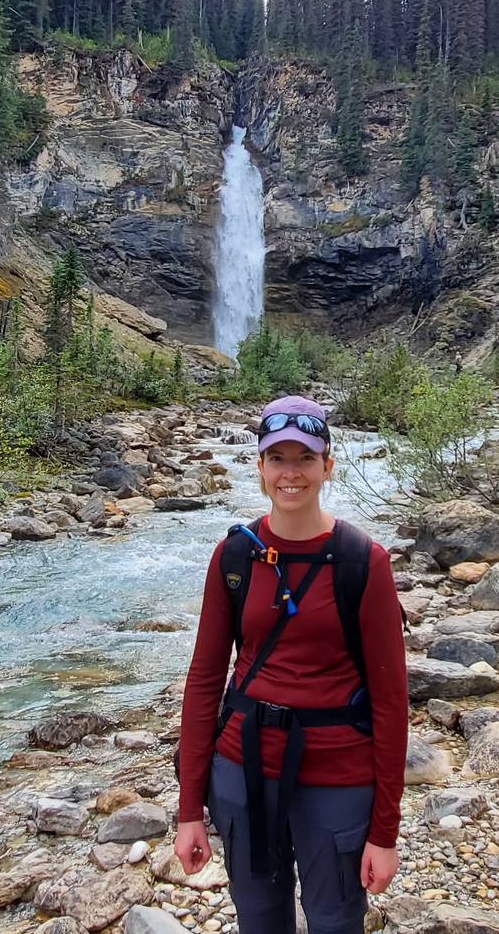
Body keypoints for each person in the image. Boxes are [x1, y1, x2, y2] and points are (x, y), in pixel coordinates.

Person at [173, 396, 408, 934]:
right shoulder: (235, 556)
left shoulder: (363, 561)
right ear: (260, 467)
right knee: (258, 920)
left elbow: (392, 701)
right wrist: (189, 811)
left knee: (335, 921)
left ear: (328, 465)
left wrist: (384, 832)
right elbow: (205, 680)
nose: (291, 472)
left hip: (337, 778)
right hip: (242, 771)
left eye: (305, 458)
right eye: (277, 458)